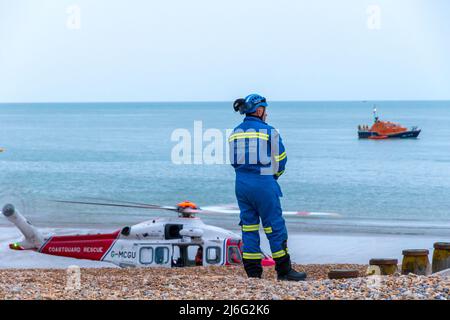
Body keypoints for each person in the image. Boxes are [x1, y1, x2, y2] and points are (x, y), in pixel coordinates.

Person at [229, 94, 307, 281]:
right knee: (274, 226)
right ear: (259, 110)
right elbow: (281, 161)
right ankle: (284, 271)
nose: (266, 113)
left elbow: (234, 162)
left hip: (241, 184)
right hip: (263, 183)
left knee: (249, 227)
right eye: (265, 108)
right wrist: (273, 177)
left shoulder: (235, 133)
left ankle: (254, 274)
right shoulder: (268, 131)